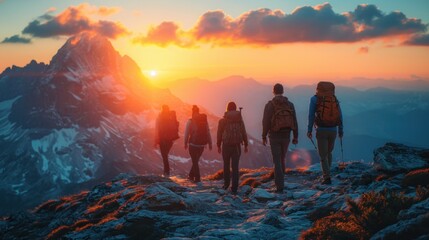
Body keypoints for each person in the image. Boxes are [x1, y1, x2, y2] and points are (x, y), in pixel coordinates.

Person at [262, 83, 298, 193]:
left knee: (276, 160)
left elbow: (266, 122)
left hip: (274, 136)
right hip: (286, 135)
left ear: (273, 91)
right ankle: (282, 180)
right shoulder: (290, 104)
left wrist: (264, 136)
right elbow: (294, 121)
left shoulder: (270, 105)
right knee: (282, 157)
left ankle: (279, 186)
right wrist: (295, 136)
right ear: (283, 91)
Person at [307, 81, 343, 185]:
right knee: (329, 153)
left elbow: (311, 116)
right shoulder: (334, 98)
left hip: (321, 129)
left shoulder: (314, 99)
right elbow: (340, 115)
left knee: (322, 155)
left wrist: (309, 130)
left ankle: (327, 178)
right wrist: (341, 129)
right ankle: (327, 174)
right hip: (333, 130)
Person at [217, 102, 249, 194]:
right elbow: (243, 132)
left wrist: (218, 145)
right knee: (235, 167)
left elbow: (219, 134)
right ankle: (234, 188)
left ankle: (226, 185)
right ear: (235, 109)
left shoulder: (222, 121)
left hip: (226, 145)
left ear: (227, 109)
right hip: (237, 145)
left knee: (226, 165)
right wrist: (246, 144)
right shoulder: (239, 120)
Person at [184, 105, 212, 183]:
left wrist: (185, 143)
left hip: (193, 144)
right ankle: (190, 176)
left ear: (192, 112)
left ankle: (197, 178)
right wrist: (210, 143)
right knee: (195, 161)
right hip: (202, 145)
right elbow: (208, 131)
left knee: (195, 161)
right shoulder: (204, 120)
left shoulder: (190, 121)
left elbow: (186, 133)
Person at [155, 105, 179, 177]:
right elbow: (177, 125)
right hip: (170, 140)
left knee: (164, 156)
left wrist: (156, 141)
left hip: (162, 139)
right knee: (165, 155)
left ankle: (166, 173)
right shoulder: (171, 117)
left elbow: (158, 129)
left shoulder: (160, 117)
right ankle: (166, 172)